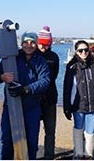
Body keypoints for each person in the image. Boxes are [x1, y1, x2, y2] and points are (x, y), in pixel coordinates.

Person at [0, 31, 50, 160]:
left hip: (31, 108)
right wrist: (2, 76)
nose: (29, 45)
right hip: (10, 107)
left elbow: (45, 82)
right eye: (26, 42)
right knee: (6, 140)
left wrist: (26, 89)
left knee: (31, 143)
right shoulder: (12, 58)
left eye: (32, 42)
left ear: (36, 44)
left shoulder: (41, 61)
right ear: (21, 43)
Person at [63, 40, 94, 159]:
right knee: (78, 128)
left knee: (91, 130)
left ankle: (88, 154)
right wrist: (66, 107)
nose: (84, 53)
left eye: (86, 50)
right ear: (76, 52)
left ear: (89, 51)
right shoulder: (72, 66)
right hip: (78, 106)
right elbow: (67, 88)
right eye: (80, 50)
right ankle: (78, 153)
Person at [37, 26, 59, 159]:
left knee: (50, 131)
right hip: (34, 99)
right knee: (32, 130)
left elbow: (54, 76)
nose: (43, 47)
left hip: (50, 98)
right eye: (41, 44)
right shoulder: (32, 54)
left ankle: (49, 156)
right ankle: (30, 154)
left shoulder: (54, 57)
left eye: (46, 44)